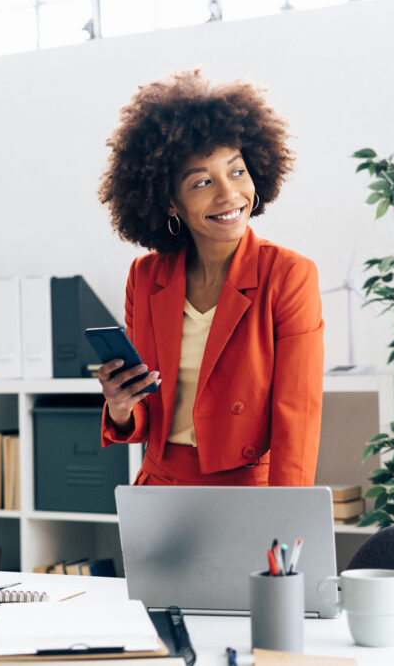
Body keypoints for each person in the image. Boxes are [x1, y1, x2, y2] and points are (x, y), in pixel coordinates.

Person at [96, 70, 324, 487]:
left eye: (237, 172)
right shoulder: (145, 277)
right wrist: (120, 407)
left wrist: (288, 525)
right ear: (169, 203)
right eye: (202, 182)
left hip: (247, 493)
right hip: (161, 490)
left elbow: (298, 419)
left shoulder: (288, 275)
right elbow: (148, 411)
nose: (228, 194)